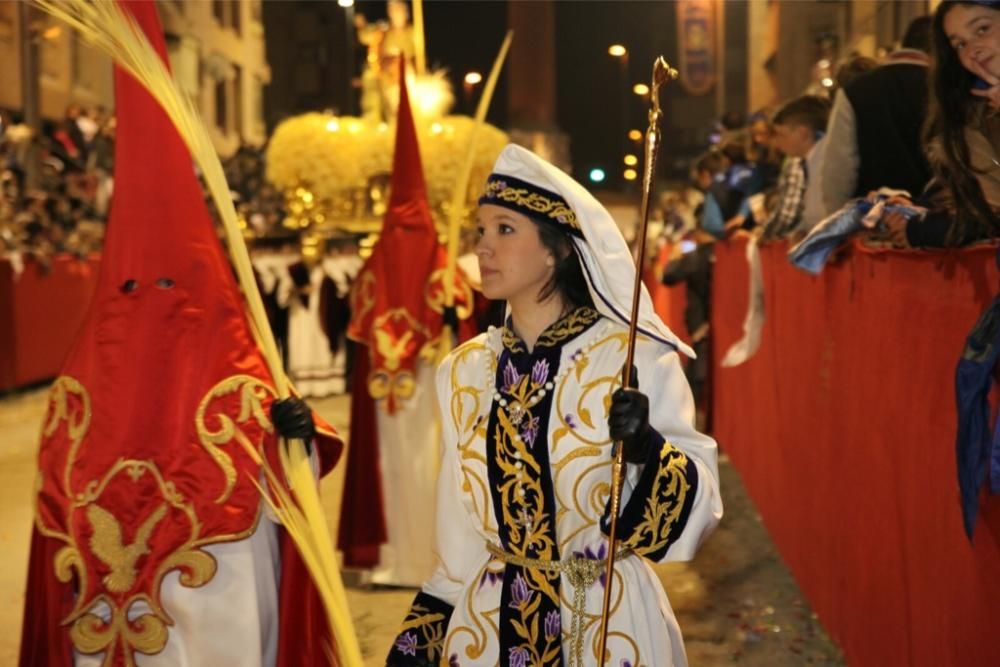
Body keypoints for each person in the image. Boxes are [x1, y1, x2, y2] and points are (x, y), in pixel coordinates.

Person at [18, 3, 343, 665]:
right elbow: (52, 536)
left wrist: (296, 436)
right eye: (132, 289)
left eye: (171, 288)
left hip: (223, 598)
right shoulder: (77, 397)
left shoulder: (238, 374)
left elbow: (292, 492)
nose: (150, 307)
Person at [385, 144, 722, 666]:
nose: (483, 247)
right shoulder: (465, 371)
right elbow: (458, 525)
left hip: (606, 624)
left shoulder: (634, 358)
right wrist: (422, 636)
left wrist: (646, 450)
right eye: (481, 230)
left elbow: (695, 520)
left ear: (557, 249)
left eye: (505, 229)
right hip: (490, 628)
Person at [883, 1, 1000, 248]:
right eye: (960, 44)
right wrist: (923, 208)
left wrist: (923, 229)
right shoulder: (972, 116)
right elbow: (985, 207)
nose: (972, 51)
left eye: (982, 29)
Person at [820, 16, 933, 216]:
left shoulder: (856, 90)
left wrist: (836, 222)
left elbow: (838, 171)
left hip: (873, 226)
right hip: (939, 226)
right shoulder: (949, 89)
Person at [760, 95, 831, 240]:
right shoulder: (807, 162)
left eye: (781, 134)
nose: (778, 143)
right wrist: (801, 230)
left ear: (802, 133)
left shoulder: (828, 159)